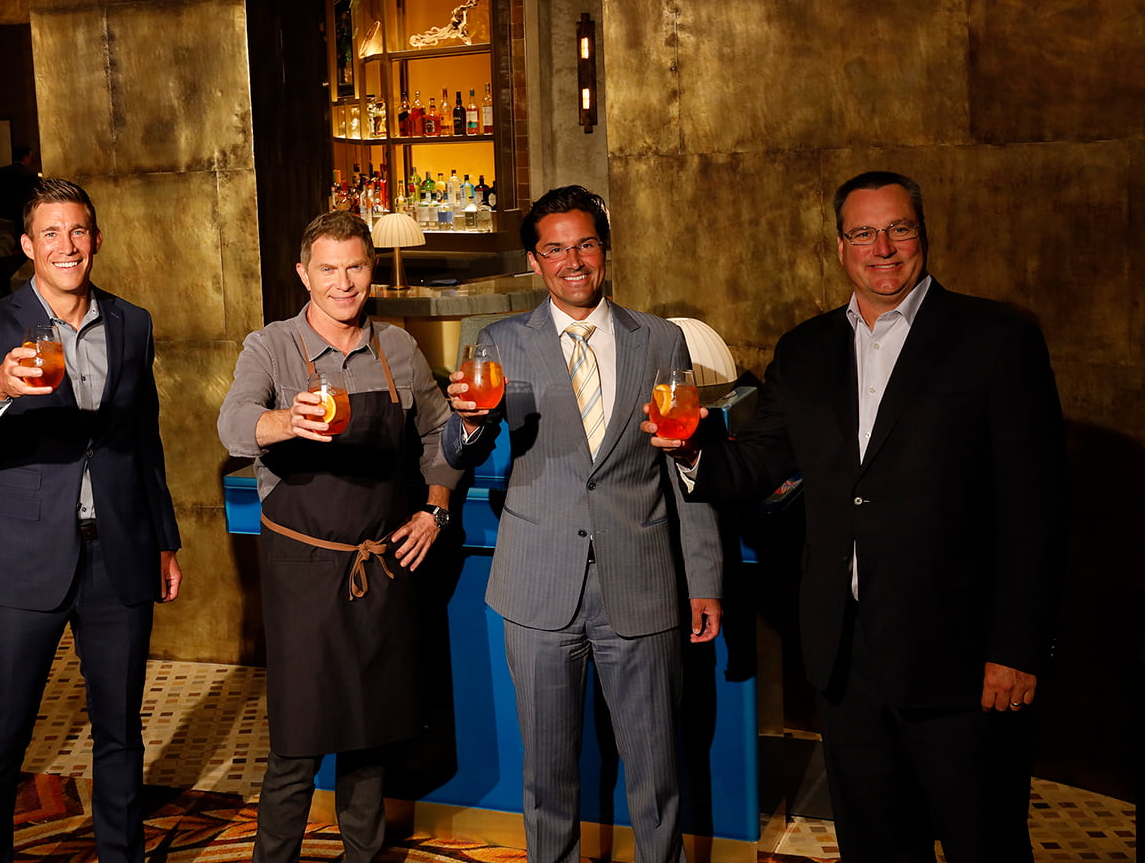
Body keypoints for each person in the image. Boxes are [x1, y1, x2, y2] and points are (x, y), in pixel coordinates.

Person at [648, 170, 1065, 863]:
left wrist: (1016, 648)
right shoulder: (805, 350)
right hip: (846, 658)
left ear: (922, 235)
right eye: (864, 232)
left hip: (961, 659)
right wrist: (689, 448)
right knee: (874, 845)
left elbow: (1037, 508)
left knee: (983, 841)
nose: (884, 247)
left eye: (898, 228)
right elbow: (755, 465)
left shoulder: (996, 339)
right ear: (840, 247)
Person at [442, 184, 721, 863]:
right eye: (555, 249)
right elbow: (458, 448)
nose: (573, 261)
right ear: (534, 262)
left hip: (644, 582)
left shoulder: (660, 339)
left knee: (657, 773)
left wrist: (705, 576)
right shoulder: (500, 340)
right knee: (547, 778)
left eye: (585, 244)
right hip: (538, 589)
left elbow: (685, 462)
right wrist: (471, 423)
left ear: (605, 249)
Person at [0, 177, 182, 863]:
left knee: (120, 731)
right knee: (3, 736)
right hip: (22, 561)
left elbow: (145, 439)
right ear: (26, 246)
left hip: (120, 555)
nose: (67, 245)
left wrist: (164, 539)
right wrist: (0, 387)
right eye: (51, 233)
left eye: (78, 231)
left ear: (96, 240)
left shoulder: (132, 323)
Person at [217, 209, 459, 863]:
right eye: (328, 269)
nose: (343, 283)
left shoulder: (399, 349)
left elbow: (444, 434)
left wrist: (434, 508)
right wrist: (284, 420)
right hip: (302, 575)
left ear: (370, 269)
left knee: (369, 738)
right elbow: (235, 425)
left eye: (354, 267)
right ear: (304, 273)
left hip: (379, 571)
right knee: (295, 744)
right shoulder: (270, 347)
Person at [0, 145, 40, 235]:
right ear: (26, 157)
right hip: (21, 216)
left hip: (4, 214)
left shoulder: (3, 171)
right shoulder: (30, 174)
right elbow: (34, 197)